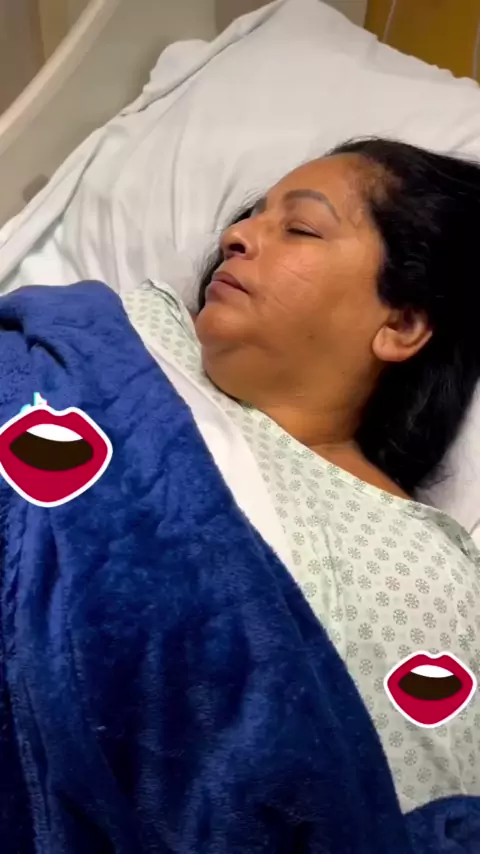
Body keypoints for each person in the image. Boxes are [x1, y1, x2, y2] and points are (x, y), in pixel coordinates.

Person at [122, 138, 480, 816]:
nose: (234, 236)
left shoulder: (412, 568)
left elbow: (389, 812)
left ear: (401, 323)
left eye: (301, 228)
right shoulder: (131, 329)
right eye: (252, 215)